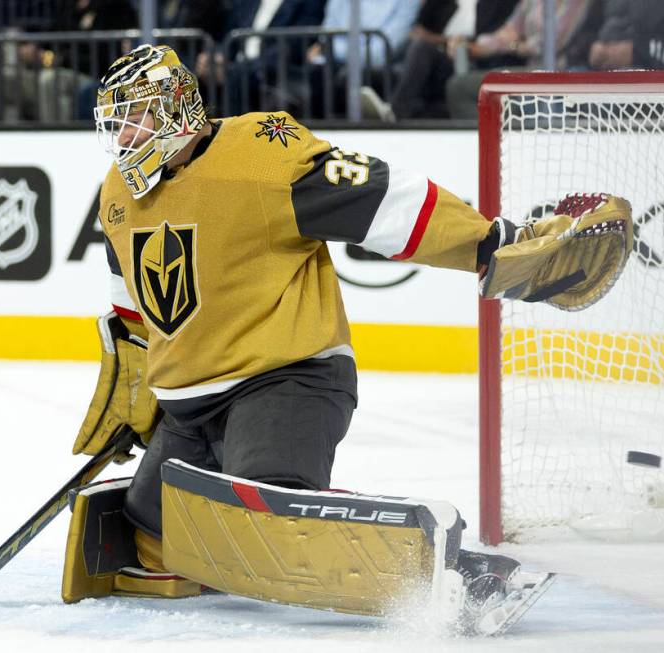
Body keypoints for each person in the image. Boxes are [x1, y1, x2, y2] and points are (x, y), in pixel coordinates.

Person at [67, 44, 631, 624]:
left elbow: (383, 200)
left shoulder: (258, 156)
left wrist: (492, 245)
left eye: (134, 116)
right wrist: (133, 377)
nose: (125, 136)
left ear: (176, 109)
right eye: (116, 124)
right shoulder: (120, 190)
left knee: (272, 519)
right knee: (148, 531)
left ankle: (453, 568)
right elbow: (131, 294)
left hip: (283, 382)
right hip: (189, 407)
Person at [359, 0, 521, 121]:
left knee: (425, 51)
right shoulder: (442, 2)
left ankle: (398, 111)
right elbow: (417, 31)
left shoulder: (499, 3)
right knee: (421, 48)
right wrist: (446, 42)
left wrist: (465, 45)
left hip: (479, 61)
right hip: (443, 56)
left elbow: (500, 39)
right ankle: (396, 111)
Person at [444, 0, 596, 120]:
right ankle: (489, 146)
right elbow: (508, 32)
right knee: (460, 86)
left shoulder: (577, 3)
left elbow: (551, 44)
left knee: (465, 87)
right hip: (532, 73)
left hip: (562, 74)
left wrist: (515, 47)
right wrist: (473, 45)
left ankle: (503, 141)